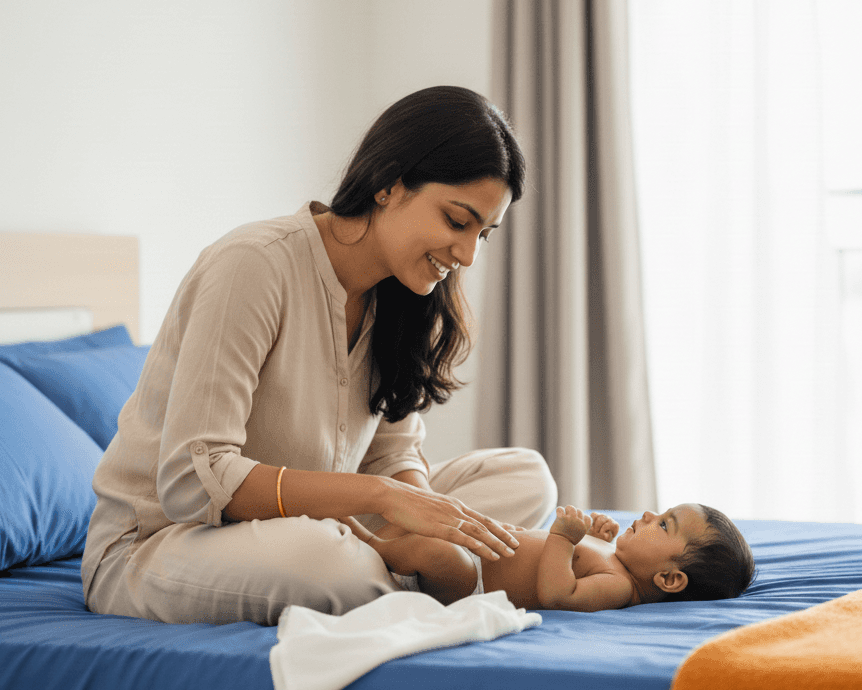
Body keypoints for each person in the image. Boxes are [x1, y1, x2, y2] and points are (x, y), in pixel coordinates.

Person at [82, 86, 558, 625]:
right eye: (456, 221)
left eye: (483, 234)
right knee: (329, 565)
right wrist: (381, 500)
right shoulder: (253, 265)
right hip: (166, 542)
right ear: (387, 185)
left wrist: (419, 518)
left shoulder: (405, 294)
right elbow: (195, 480)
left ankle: (420, 567)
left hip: (329, 522)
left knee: (526, 478)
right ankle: (429, 574)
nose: (468, 254)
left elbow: (391, 456)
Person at [352, 503, 756, 611]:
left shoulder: (618, 587)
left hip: (471, 580)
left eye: (664, 525)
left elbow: (557, 593)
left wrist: (564, 539)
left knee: (437, 553)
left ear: (669, 579)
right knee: (437, 522)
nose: (649, 516)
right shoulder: (619, 561)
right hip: (481, 549)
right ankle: (382, 537)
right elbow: (583, 557)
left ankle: (371, 545)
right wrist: (597, 537)